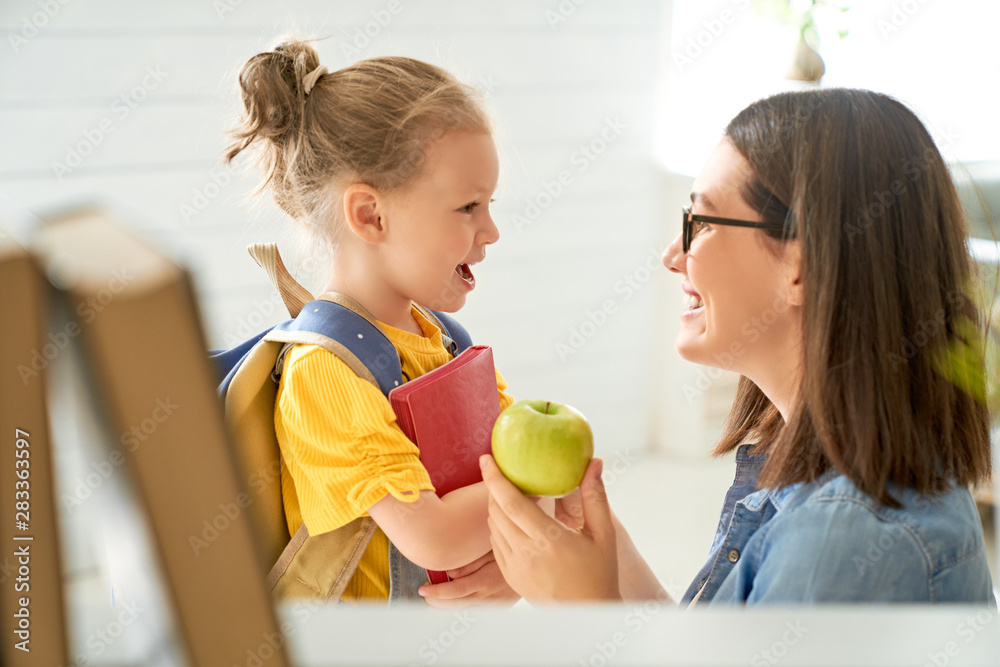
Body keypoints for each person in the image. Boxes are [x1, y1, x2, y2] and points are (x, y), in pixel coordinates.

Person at [476, 88, 997, 605]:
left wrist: (584, 612)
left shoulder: (845, 541)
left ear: (803, 263)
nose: (672, 255)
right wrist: (605, 562)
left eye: (701, 222)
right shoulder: (814, 463)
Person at [225, 39, 519, 605]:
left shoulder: (444, 340)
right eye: (468, 207)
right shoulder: (326, 372)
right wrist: (546, 493)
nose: (491, 231)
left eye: (489, 205)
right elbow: (432, 535)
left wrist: (514, 559)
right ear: (371, 215)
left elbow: (509, 461)